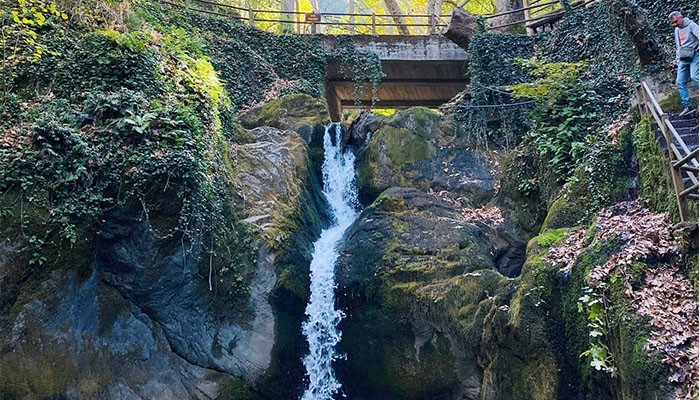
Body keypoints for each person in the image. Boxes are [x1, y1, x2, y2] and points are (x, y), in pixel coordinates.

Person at [669, 11, 699, 117]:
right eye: (673, 22)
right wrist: (678, 58)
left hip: (695, 54)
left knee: (695, 77)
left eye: (676, 21)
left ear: (681, 17)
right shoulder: (677, 30)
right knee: (680, 81)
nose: (675, 23)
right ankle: (687, 106)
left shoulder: (692, 25)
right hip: (683, 57)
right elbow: (678, 46)